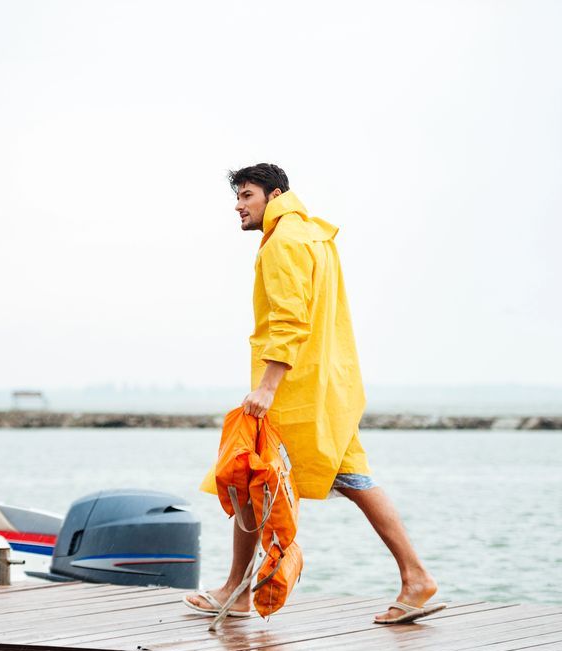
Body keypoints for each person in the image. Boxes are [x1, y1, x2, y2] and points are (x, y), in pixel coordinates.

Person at [185, 163, 441, 624]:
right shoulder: (314, 236)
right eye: (237, 198)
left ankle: (236, 590)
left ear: (274, 194)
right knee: (353, 479)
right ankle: (416, 577)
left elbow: (289, 318)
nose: (238, 207)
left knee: (245, 472)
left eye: (246, 196)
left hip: (294, 392)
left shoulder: (283, 242)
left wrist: (266, 386)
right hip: (331, 388)